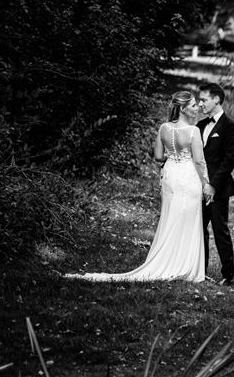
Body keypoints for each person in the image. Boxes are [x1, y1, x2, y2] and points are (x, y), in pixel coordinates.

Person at [66, 91, 215, 283]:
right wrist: (206, 184)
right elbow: (200, 162)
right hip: (188, 176)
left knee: (171, 216)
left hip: (170, 175)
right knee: (187, 218)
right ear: (184, 108)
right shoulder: (193, 132)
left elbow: (158, 156)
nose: (197, 108)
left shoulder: (163, 128)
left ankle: (169, 259)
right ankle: (183, 265)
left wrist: (173, 159)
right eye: (193, 105)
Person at [197, 82, 234, 286]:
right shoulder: (201, 126)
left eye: (204, 99)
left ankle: (228, 275)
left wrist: (213, 185)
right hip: (198, 186)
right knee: (199, 229)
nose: (200, 103)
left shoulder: (230, 126)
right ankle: (200, 269)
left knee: (219, 229)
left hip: (218, 189)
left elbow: (228, 161)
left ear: (216, 99)